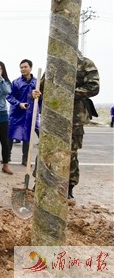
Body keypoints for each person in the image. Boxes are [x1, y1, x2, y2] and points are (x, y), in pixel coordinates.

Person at [39, 52, 99, 199]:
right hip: (53, 115)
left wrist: (68, 93)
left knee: (71, 153)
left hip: (75, 117)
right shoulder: (54, 63)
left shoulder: (85, 64)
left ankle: (69, 187)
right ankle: (41, 183)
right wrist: (35, 93)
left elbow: (94, 87)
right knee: (47, 148)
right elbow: (41, 87)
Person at [6, 59, 42, 166]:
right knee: (11, 134)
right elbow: (9, 96)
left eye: (25, 67)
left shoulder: (37, 83)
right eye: (21, 67)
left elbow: (41, 98)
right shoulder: (16, 82)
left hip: (30, 113)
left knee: (27, 135)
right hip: (17, 112)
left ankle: (25, 159)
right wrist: (19, 104)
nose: (23, 69)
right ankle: (7, 156)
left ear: (30, 68)